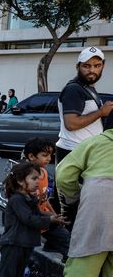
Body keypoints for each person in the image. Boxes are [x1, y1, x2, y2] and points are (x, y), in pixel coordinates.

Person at [34, 128, 113, 277]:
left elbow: (65, 171)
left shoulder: (97, 142)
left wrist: (72, 197)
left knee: (81, 268)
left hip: (100, 202)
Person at [0, 162, 63, 277]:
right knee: (8, 272)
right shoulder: (17, 200)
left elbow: (38, 213)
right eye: (34, 178)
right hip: (14, 242)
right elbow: (29, 219)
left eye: (38, 178)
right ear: (20, 180)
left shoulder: (28, 198)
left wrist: (52, 216)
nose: (38, 182)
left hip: (25, 242)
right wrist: (50, 220)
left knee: (18, 272)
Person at [55, 46, 113, 224]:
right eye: (86, 66)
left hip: (84, 152)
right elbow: (71, 123)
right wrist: (101, 112)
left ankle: (61, 242)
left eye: (96, 65)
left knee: (77, 206)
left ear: (103, 65)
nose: (92, 70)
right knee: (76, 207)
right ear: (78, 66)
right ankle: (71, 246)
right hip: (74, 152)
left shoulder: (88, 88)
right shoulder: (74, 90)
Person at [22, 138, 70, 258]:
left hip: (45, 219)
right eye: (44, 155)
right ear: (32, 156)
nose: (49, 158)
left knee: (66, 241)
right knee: (22, 254)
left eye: (50, 155)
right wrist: (50, 217)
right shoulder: (24, 177)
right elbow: (26, 205)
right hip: (33, 220)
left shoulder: (44, 172)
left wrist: (54, 214)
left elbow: (44, 199)